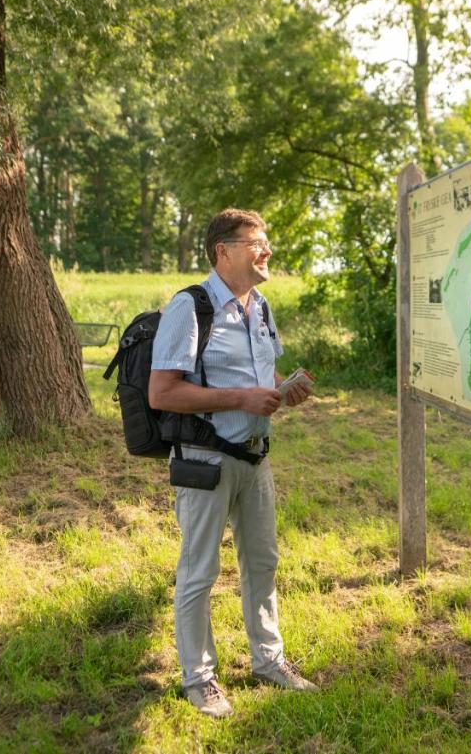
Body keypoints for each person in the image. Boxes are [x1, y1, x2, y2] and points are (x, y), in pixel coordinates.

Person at [148, 208, 316, 718]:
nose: (266, 251)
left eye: (267, 242)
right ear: (224, 251)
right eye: (256, 242)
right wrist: (241, 400)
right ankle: (199, 679)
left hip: (256, 461)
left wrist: (283, 391)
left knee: (262, 564)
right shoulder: (190, 307)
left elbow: (262, 374)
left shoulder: (260, 307)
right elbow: (163, 393)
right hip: (206, 459)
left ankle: (269, 661)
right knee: (200, 570)